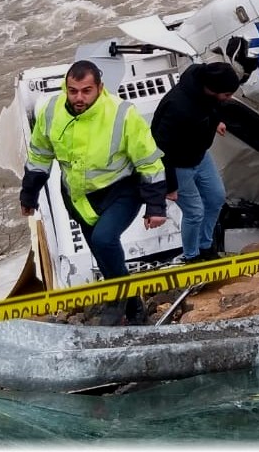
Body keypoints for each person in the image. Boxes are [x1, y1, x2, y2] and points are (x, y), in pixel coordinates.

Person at [19, 60, 168, 325]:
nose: (79, 97)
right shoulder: (52, 110)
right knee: (102, 252)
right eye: (73, 90)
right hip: (78, 197)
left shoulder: (122, 114)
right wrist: (29, 196)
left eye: (86, 91)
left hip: (122, 191)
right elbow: (40, 155)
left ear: (100, 88)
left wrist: (155, 206)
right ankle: (134, 307)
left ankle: (116, 302)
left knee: (104, 240)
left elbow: (149, 161)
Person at [151, 61, 240, 264]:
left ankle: (205, 245)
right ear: (213, 90)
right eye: (227, 94)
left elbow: (212, 106)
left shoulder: (206, 87)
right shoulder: (179, 107)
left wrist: (215, 122)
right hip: (178, 165)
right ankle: (192, 257)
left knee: (216, 198)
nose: (230, 98)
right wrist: (170, 185)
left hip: (200, 155)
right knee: (194, 212)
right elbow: (160, 147)